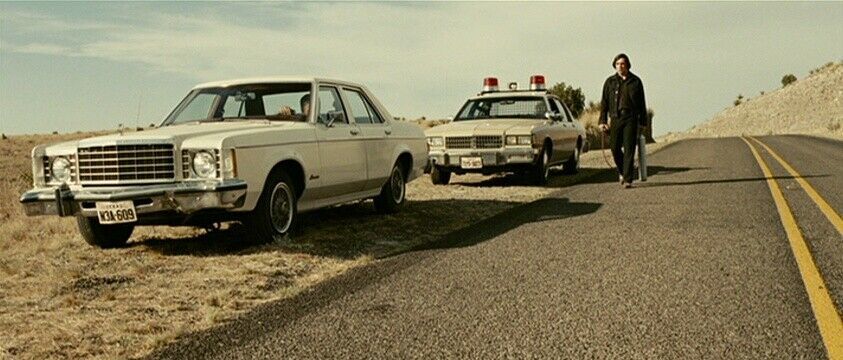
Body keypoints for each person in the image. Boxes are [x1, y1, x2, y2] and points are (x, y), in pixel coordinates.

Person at [598, 53, 647, 188]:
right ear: (615, 65)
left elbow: (642, 103)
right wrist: (602, 120)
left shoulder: (636, 82)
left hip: (631, 118)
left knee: (629, 148)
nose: (620, 66)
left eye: (622, 64)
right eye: (618, 64)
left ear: (627, 65)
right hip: (615, 118)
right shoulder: (610, 82)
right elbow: (604, 103)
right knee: (614, 147)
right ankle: (622, 171)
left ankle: (628, 179)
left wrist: (643, 122)